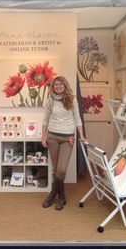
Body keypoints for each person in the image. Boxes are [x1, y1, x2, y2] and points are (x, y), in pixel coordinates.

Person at [41, 75, 87, 211]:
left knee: (61, 171)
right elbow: (45, 119)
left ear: (65, 86)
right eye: (56, 85)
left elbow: (78, 119)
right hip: (52, 137)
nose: (58, 86)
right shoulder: (50, 100)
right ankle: (62, 197)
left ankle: (52, 194)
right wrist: (43, 137)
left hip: (68, 138)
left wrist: (82, 136)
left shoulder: (72, 99)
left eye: (60, 84)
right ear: (53, 87)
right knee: (55, 170)